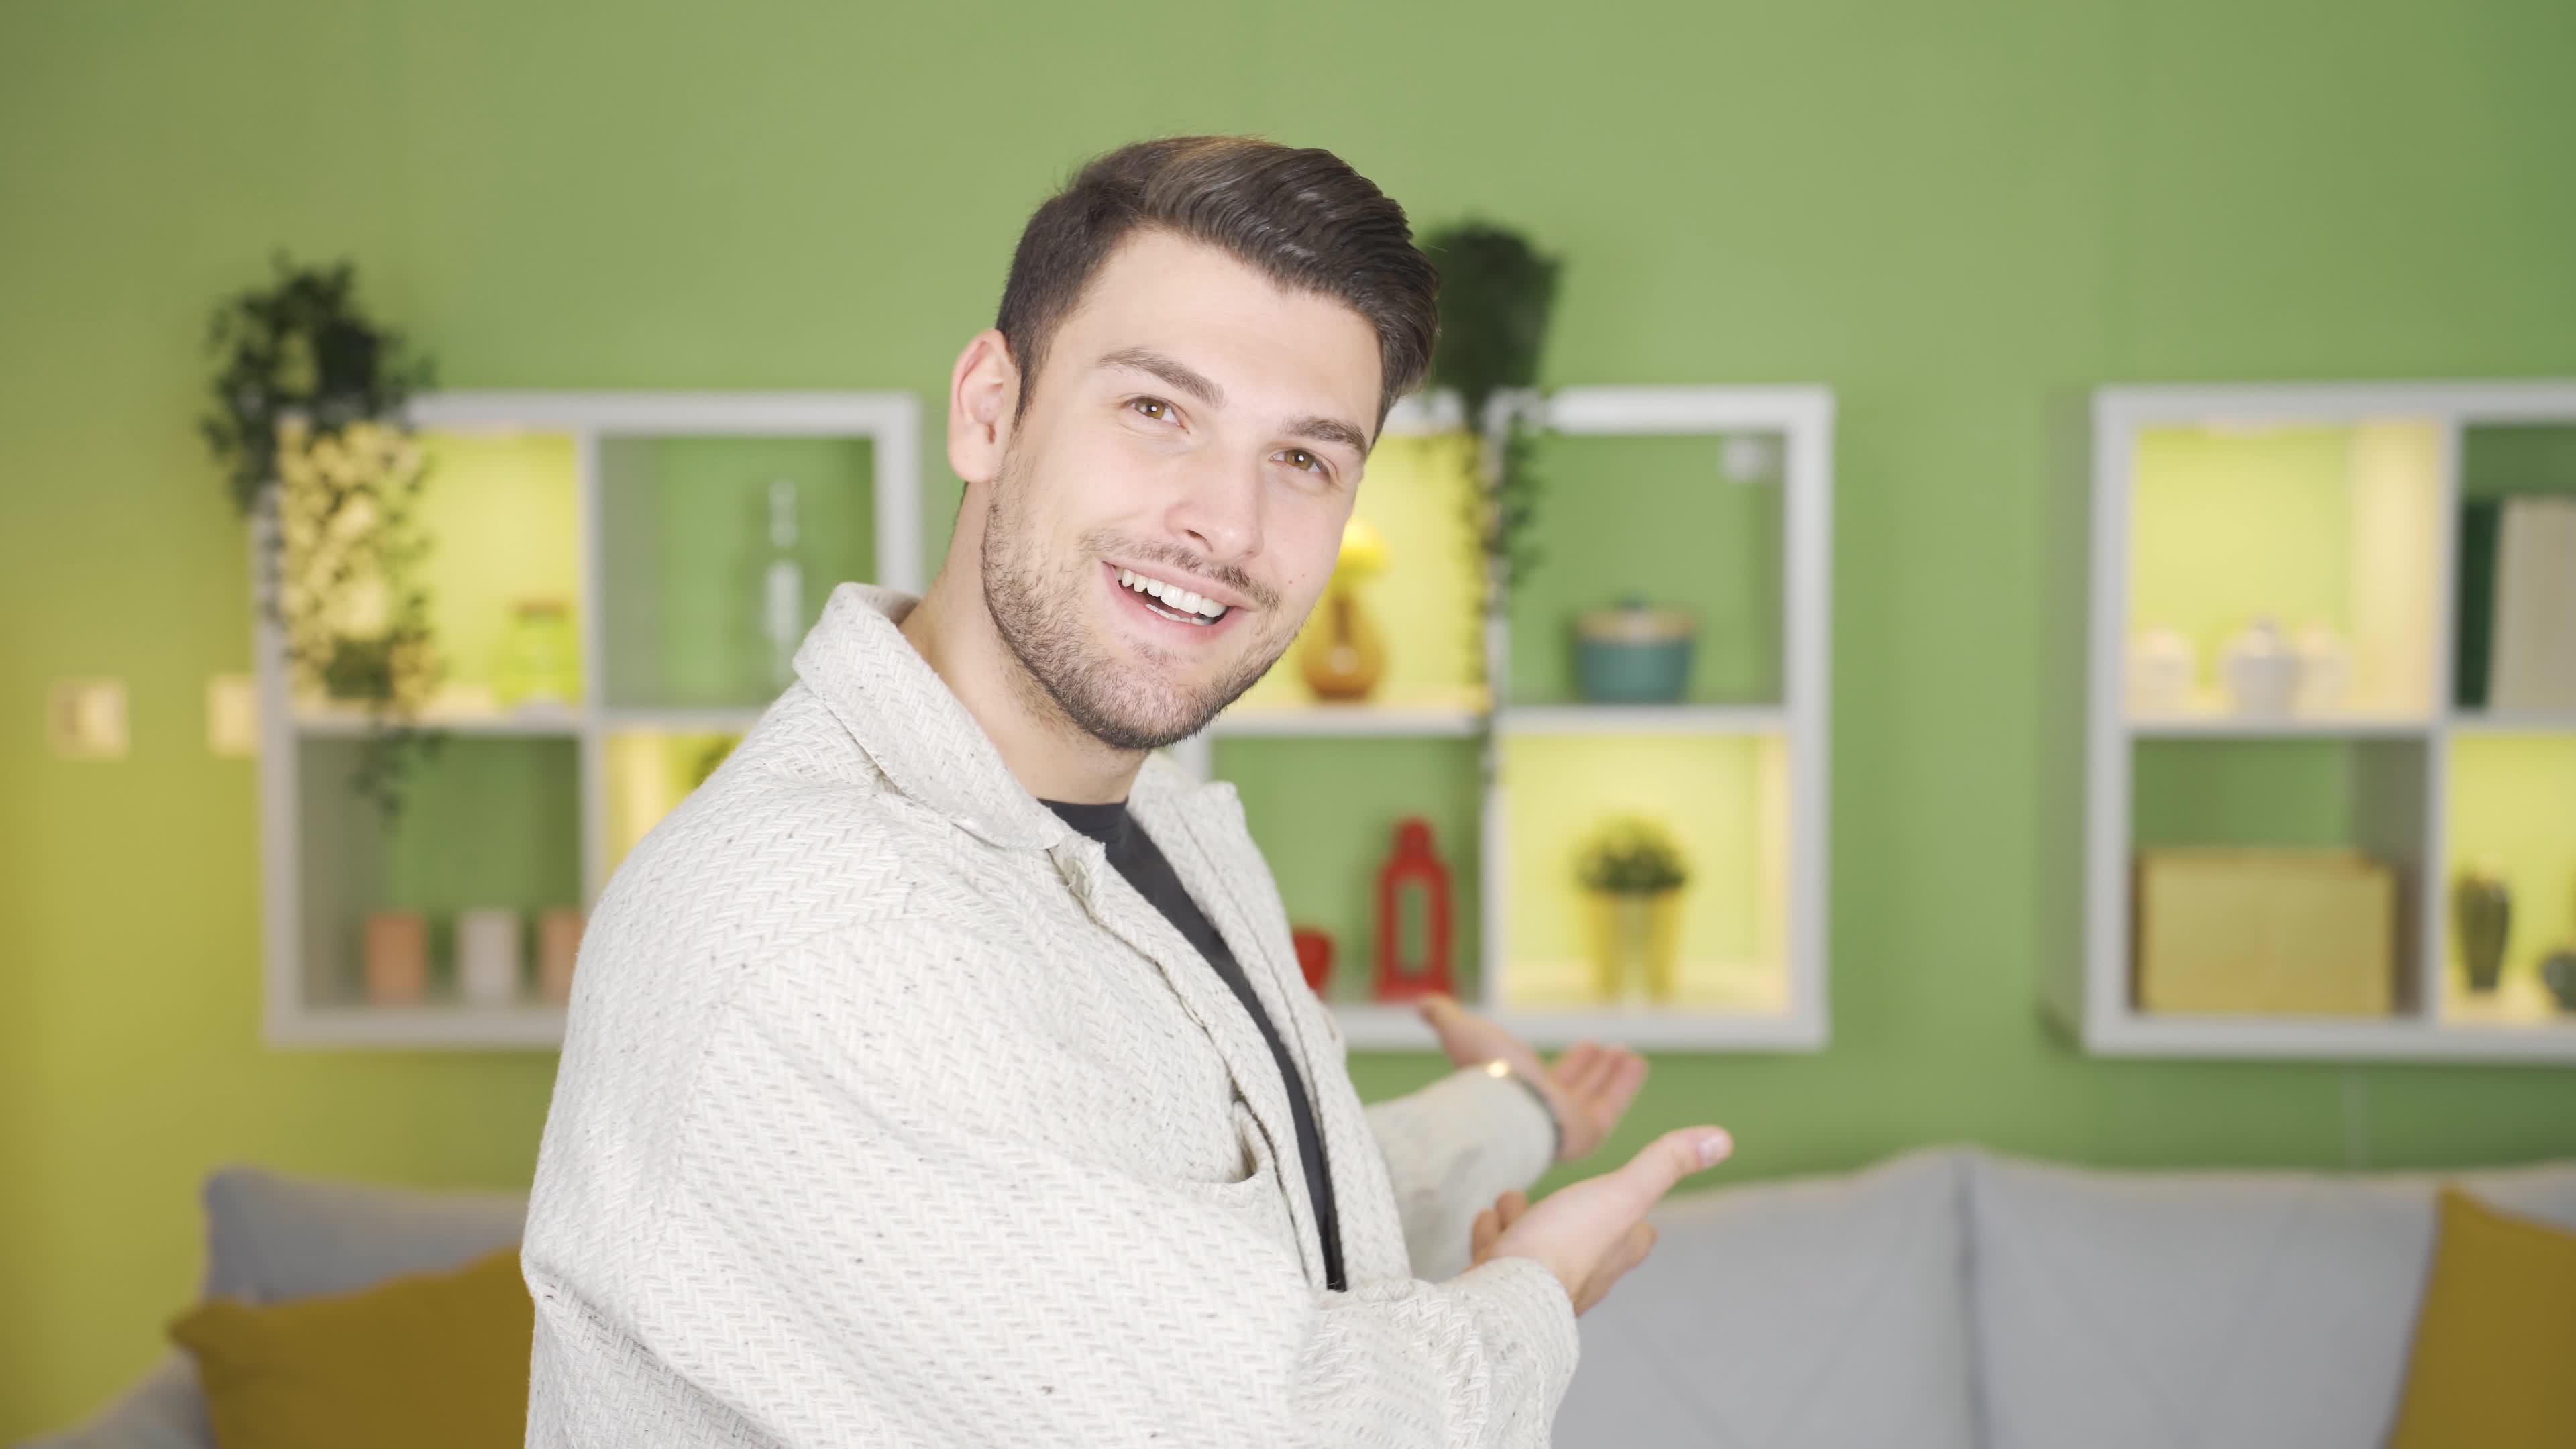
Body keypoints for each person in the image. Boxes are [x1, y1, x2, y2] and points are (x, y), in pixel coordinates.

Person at [521, 133, 1736, 1449]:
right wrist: (1536, 1298)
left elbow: (1172, 1242)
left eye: (1306, 459)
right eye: (1159, 410)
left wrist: (1512, 1118)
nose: (1225, 521)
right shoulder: (824, 929)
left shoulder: (1152, 831)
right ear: (989, 407)